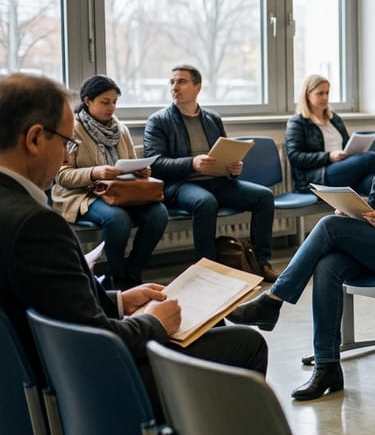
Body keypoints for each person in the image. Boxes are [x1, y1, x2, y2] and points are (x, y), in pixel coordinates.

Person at [0, 73, 268, 416]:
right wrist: (154, 323)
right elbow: (92, 344)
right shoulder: (35, 225)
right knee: (247, 344)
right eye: (66, 143)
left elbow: (53, 304)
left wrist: (119, 301)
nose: (66, 157)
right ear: (35, 139)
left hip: (21, 393)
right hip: (78, 396)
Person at [228, 76, 375, 400]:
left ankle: (273, 300)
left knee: (326, 227)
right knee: (328, 265)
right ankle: (327, 367)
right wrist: (356, 211)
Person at [143, 64, 278, 281]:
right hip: (181, 185)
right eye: (172, 82)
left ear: (197, 87)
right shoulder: (158, 121)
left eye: (181, 82)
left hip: (217, 180)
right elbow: (156, 163)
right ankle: (208, 269)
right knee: (205, 202)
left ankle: (261, 263)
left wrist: (233, 168)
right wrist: (192, 163)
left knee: (264, 196)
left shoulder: (212, 118)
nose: (174, 87)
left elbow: (223, 151)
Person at [51, 75, 168, 291]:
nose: (111, 108)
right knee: (118, 219)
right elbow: (62, 176)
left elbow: (130, 163)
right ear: (88, 101)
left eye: (114, 102)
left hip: (120, 191)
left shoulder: (120, 129)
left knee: (158, 213)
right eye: (105, 102)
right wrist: (96, 172)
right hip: (82, 194)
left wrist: (141, 171)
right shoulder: (73, 129)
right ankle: (118, 277)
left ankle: (133, 272)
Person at [285, 74, 375, 195]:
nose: (325, 97)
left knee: (372, 183)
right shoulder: (297, 122)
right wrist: (329, 156)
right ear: (308, 95)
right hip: (317, 176)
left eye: (327, 93)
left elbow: (346, 144)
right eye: (320, 93)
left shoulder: (334, 119)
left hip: (343, 169)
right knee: (370, 158)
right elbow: (296, 157)